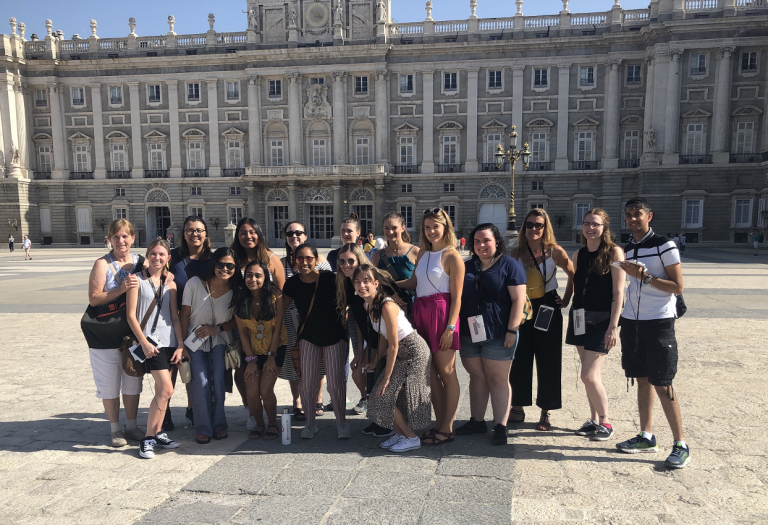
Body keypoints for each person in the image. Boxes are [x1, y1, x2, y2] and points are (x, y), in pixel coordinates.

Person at [616, 197, 690, 469]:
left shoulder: (664, 244)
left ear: (649, 216)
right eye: (628, 215)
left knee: (663, 382)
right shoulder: (630, 246)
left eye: (637, 214)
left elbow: (678, 286)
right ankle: (646, 435)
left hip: (658, 322)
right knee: (642, 379)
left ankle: (680, 443)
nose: (632, 219)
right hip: (633, 322)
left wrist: (644, 277)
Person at [398, 208, 464, 446]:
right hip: (422, 313)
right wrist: (382, 281)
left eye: (435, 226)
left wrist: (450, 328)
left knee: (447, 373)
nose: (431, 231)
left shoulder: (452, 256)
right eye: (427, 227)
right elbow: (414, 283)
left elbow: (457, 297)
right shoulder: (424, 253)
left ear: (446, 227)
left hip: (441, 314)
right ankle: (438, 424)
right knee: (430, 374)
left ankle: (447, 427)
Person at [456, 224, 526, 445]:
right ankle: (477, 420)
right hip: (470, 332)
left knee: (498, 379)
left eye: (486, 240)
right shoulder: (467, 266)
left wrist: (512, 330)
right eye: (477, 241)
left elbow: (519, 300)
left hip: (499, 332)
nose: (481, 245)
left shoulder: (509, 265)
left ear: (496, 241)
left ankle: (500, 425)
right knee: (477, 376)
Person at [354, 264, 432, 452]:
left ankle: (412, 438)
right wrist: (376, 359)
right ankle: (402, 433)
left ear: (376, 283)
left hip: (414, 352)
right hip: (400, 352)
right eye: (357, 282)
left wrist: (387, 377)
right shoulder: (368, 304)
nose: (361, 285)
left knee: (385, 394)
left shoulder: (387, 305)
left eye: (366, 281)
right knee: (382, 397)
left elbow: (394, 344)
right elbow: (383, 335)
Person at [509, 208, 574, 431]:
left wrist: (566, 299)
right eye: (529, 224)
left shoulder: (554, 251)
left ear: (545, 228)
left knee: (548, 358)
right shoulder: (516, 252)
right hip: (524, 306)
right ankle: (517, 406)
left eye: (538, 225)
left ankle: (546, 410)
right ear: (523, 227)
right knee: (520, 356)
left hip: (547, 305)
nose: (533, 229)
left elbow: (572, 272)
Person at [565, 209, 625, 442]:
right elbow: (576, 285)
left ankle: (605, 422)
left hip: (601, 320)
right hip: (579, 317)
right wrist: (566, 300)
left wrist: (613, 326)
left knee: (589, 375)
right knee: (586, 373)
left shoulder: (614, 252)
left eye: (596, 224)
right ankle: (592, 420)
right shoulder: (579, 254)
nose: (590, 228)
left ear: (604, 228)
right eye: (587, 223)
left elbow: (618, 292)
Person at [86, 219, 145, 447]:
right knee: (109, 383)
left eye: (125, 236)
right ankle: (115, 428)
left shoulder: (140, 261)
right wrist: (121, 289)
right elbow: (94, 298)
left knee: (132, 380)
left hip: (132, 333)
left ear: (133, 238)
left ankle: (132, 425)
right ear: (109, 239)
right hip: (106, 333)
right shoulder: (102, 264)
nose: (121, 241)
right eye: (116, 237)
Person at [282, 243, 350, 439]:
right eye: (300, 259)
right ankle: (310, 423)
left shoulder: (329, 278)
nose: (304, 263)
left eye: (308, 258)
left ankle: (341, 422)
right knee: (307, 381)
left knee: (336, 382)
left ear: (316, 259)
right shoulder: (292, 283)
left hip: (334, 336)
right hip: (308, 337)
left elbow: (348, 298)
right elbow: (281, 309)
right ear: (294, 260)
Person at [126, 240, 184, 459]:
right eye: (153, 254)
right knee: (166, 390)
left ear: (168, 258)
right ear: (147, 256)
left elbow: (175, 317)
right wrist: (143, 342)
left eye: (162, 254)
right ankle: (147, 439)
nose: (157, 258)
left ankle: (158, 432)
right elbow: (131, 315)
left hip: (169, 341)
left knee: (165, 392)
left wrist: (180, 345)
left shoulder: (171, 283)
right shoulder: (136, 281)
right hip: (151, 343)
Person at [180, 247, 242, 444]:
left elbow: (239, 321)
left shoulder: (236, 289)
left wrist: (218, 328)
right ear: (213, 265)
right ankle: (203, 427)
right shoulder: (195, 284)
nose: (224, 269)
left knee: (218, 382)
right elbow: (183, 315)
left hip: (220, 340)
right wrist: (181, 344)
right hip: (194, 341)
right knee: (200, 382)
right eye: (220, 264)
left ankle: (220, 425)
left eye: (230, 265)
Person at [279, 221, 332, 421]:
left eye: (299, 232)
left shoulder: (321, 260)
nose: (294, 236)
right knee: (293, 359)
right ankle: (297, 400)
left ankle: (318, 397)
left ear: (306, 235)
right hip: (290, 319)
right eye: (290, 233)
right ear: (285, 237)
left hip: (315, 317)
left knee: (318, 360)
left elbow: (330, 288)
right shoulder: (280, 262)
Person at [231, 218, 285, 410]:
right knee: (241, 369)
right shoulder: (233, 260)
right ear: (237, 236)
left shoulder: (271, 259)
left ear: (259, 234)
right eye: (243, 233)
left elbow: (281, 293)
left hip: (268, 323)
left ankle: (266, 408)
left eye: (252, 232)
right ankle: (250, 408)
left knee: (267, 370)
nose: (248, 236)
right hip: (240, 321)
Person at [167, 216, 213, 430]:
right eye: (190, 230)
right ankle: (164, 409)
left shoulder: (212, 259)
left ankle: (192, 408)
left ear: (206, 233)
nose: (195, 234)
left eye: (199, 230)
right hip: (172, 321)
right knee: (171, 369)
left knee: (193, 369)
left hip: (200, 323)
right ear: (183, 233)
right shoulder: (172, 257)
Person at [235, 261, 288, 440]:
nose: (253, 279)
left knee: (265, 390)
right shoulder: (240, 297)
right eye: (249, 275)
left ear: (265, 278)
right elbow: (242, 331)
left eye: (258, 275)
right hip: (251, 350)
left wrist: (271, 358)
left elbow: (278, 328)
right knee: (251, 391)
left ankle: (272, 423)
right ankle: (259, 423)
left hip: (275, 347)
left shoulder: (275, 296)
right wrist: (250, 360)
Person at [335, 243, 373, 415]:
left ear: (359, 259)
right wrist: (359, 350)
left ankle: (380, 412)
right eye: (342, 261)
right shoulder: (347, 284)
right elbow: (358, 319)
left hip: (382, 336)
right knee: (358, 373)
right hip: (367, 334)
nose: (346, 264)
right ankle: (368, 399)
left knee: (373, 372)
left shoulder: (368, 281)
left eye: (351, 260)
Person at [372, 211, 420, 308]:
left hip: (411, 306)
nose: (390, 232)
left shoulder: (415, 252)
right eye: (386, 228)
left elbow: (417, 282)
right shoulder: (377, 256)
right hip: (386, 306)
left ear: (403, 228)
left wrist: (388, 285)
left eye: (394, 228)